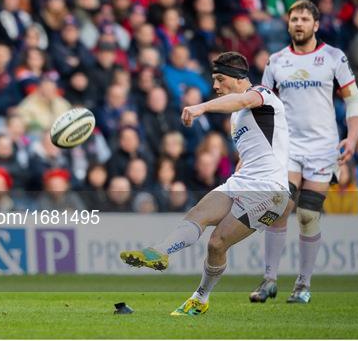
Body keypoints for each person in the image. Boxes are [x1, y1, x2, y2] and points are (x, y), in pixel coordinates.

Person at [120, 51, 290, 316]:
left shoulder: (262, 94)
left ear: (238, 78)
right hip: (241, 182)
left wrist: (201, 106)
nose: (215, 86)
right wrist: (240, 169)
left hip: (270, 191)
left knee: (216, 243)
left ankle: (201, 298)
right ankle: (159, 252)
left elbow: (243, 99)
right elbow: (252, 153)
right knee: (197, 214)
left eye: (220, 79)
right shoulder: (236, 117)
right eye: (214, 80)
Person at [250, 0, 358, 304]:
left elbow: (354, 100)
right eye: (294, 19)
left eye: (304, 19)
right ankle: (269, 279)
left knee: (308, 216)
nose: (298, 23)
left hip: (324, 149)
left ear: (315, 25)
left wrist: (351, 138)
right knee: (278, 206)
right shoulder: (275, 61)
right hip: (288, 146)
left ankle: (303, 285)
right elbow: (263, 107)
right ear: (288, 25)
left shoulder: (333, 57)